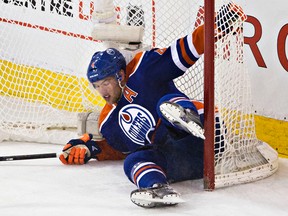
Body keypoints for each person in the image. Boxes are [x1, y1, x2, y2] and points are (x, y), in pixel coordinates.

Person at [59, 3, 245, 208]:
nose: (102, 92)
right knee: (133, 160)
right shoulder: (107, 121)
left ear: (120, 76)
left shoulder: (144, 69)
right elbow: (120, 149)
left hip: (210, 134)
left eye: (106, 83)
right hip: (186, 162)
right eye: (96, 86)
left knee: (165, 106)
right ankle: (157, 188)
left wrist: (216, 25)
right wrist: (91, 148)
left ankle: (189, 119)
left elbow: (185, 49)